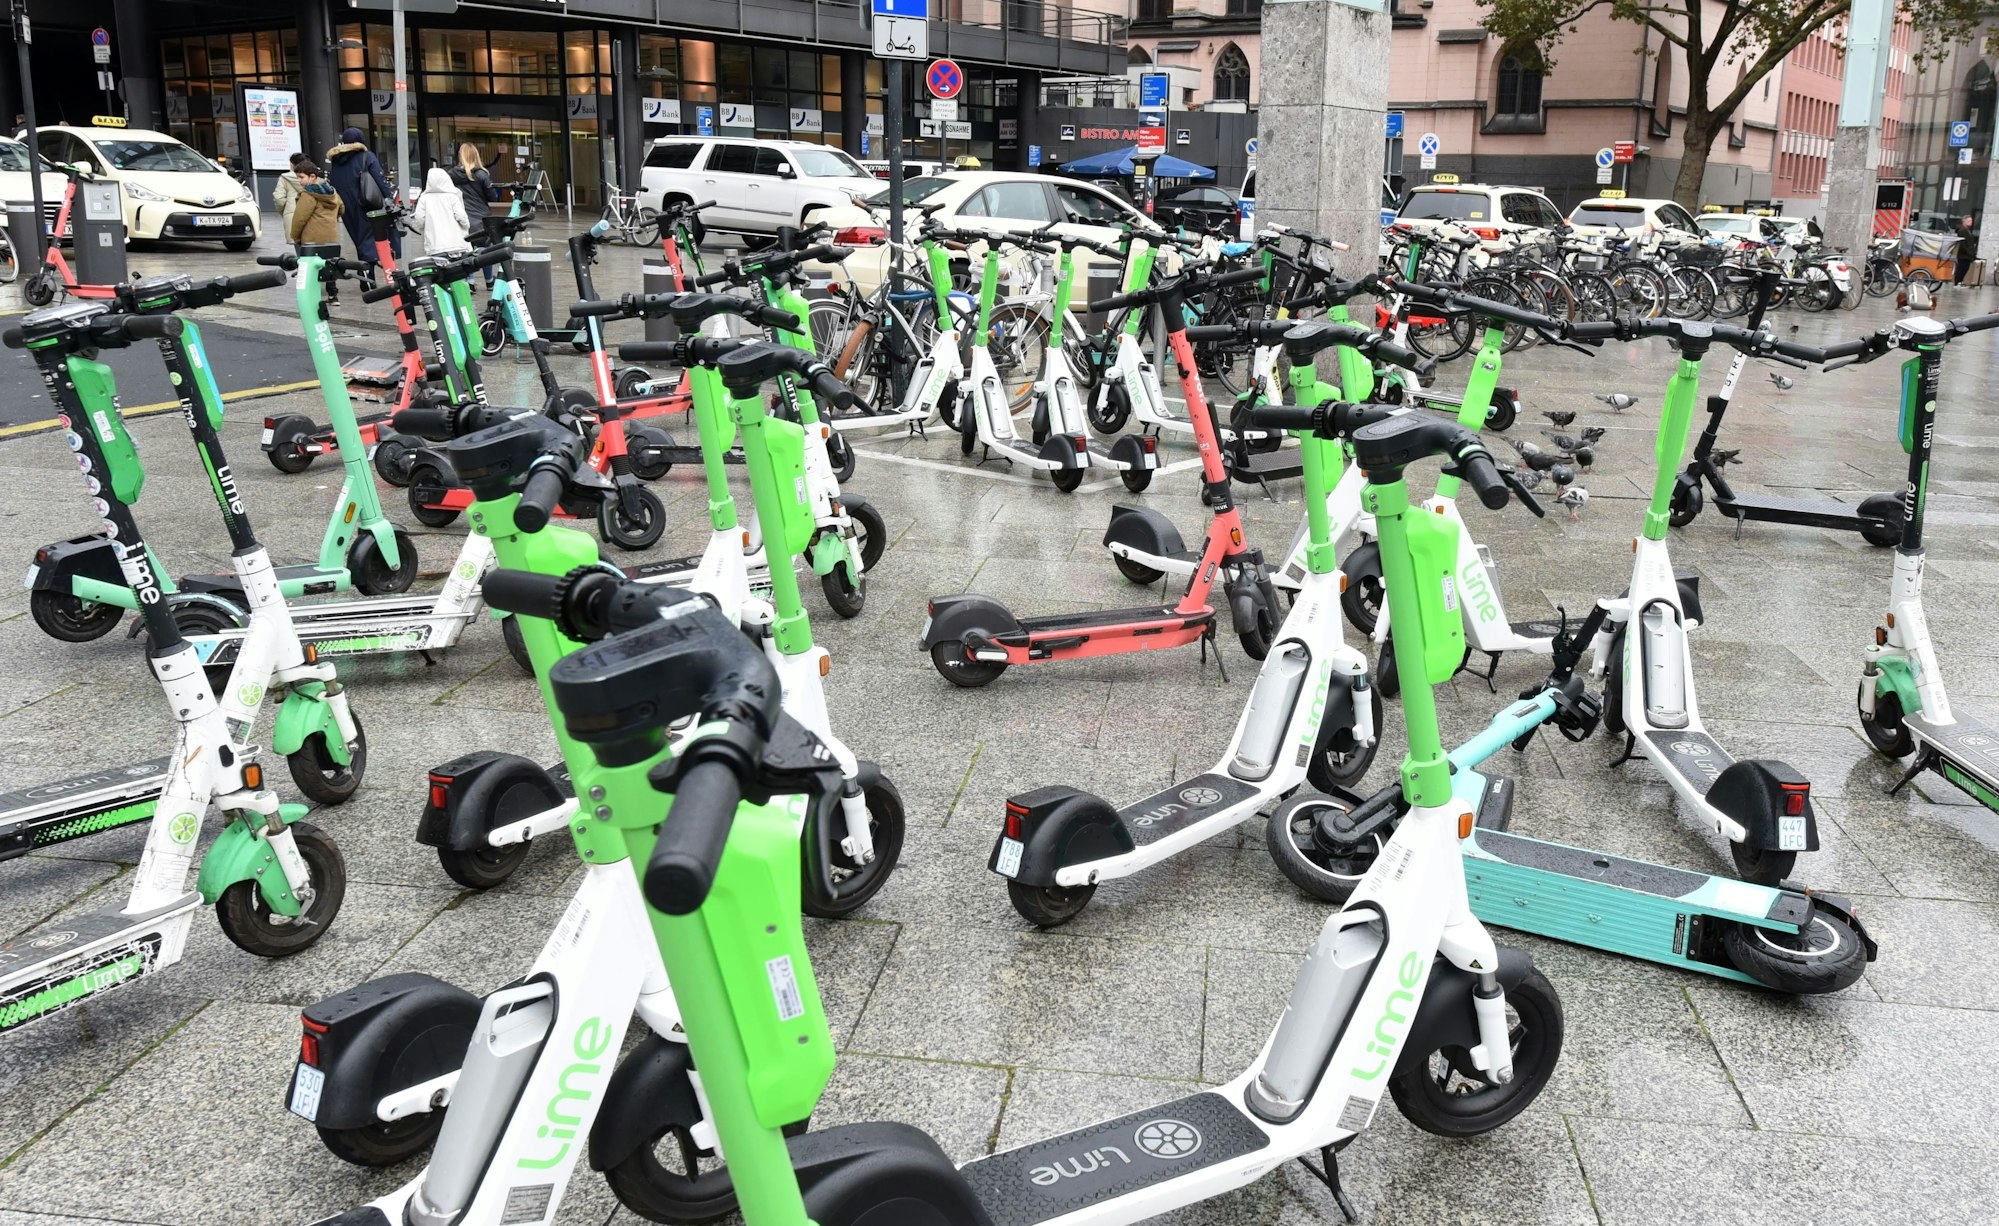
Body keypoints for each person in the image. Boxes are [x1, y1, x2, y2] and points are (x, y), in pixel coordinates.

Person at [326, 127, 399, 271]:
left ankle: (366, 277)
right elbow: (379, 178)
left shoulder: (336, 160)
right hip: (366, 202)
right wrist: (389, 197)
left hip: (345, 205)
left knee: (359, 240)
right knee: (368, 239)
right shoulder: (366, 156)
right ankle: (368, 279)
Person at [287, 161, 346, 304]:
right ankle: (333, 296)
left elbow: (299, 219)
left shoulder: (309, 195)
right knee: (330, 266)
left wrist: (295, 236)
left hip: (312, 239)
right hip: (332, 237)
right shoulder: (332, 192)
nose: (299, 181)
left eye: (301, 177)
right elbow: (342, 208)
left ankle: (312, 299)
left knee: (311, 270)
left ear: (312, 177)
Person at [449, 142, 497, 286]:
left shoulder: (451, 174)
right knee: (485, 250)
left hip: (461, 217)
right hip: (481, 218)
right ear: (475, 155)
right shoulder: (481, 175)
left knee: (466, 250)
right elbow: (492, 197)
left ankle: (470, 281)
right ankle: (489, 280)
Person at [405, 165, 469, 258]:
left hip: (435, 246)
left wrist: (422, 228)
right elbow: (461, 216)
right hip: (457, 245)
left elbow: (419, 219)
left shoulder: (424, 198)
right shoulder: (452, 196)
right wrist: (466, 226)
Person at [271, 151, 309, 237]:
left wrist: (286, 211)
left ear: (292, 164)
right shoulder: (314, 177)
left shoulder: (284, 178)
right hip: (312, 217)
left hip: (293, 216)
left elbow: (278, 198)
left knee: (298, 245)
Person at [1954, 213, 1979, 285]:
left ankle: (1960, 281)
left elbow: (1971, 244)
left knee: (1965, 269)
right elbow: (1962, 244)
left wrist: (1973, 254)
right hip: (1963, 255)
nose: (1971, 222)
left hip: (1968, 255)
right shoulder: (1961, 231)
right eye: (1968, 221)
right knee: (1961, 268)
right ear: (1964, 221)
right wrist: (1969, 252)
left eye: (1971, 221)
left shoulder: (1969, 231)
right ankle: (1957, 282)